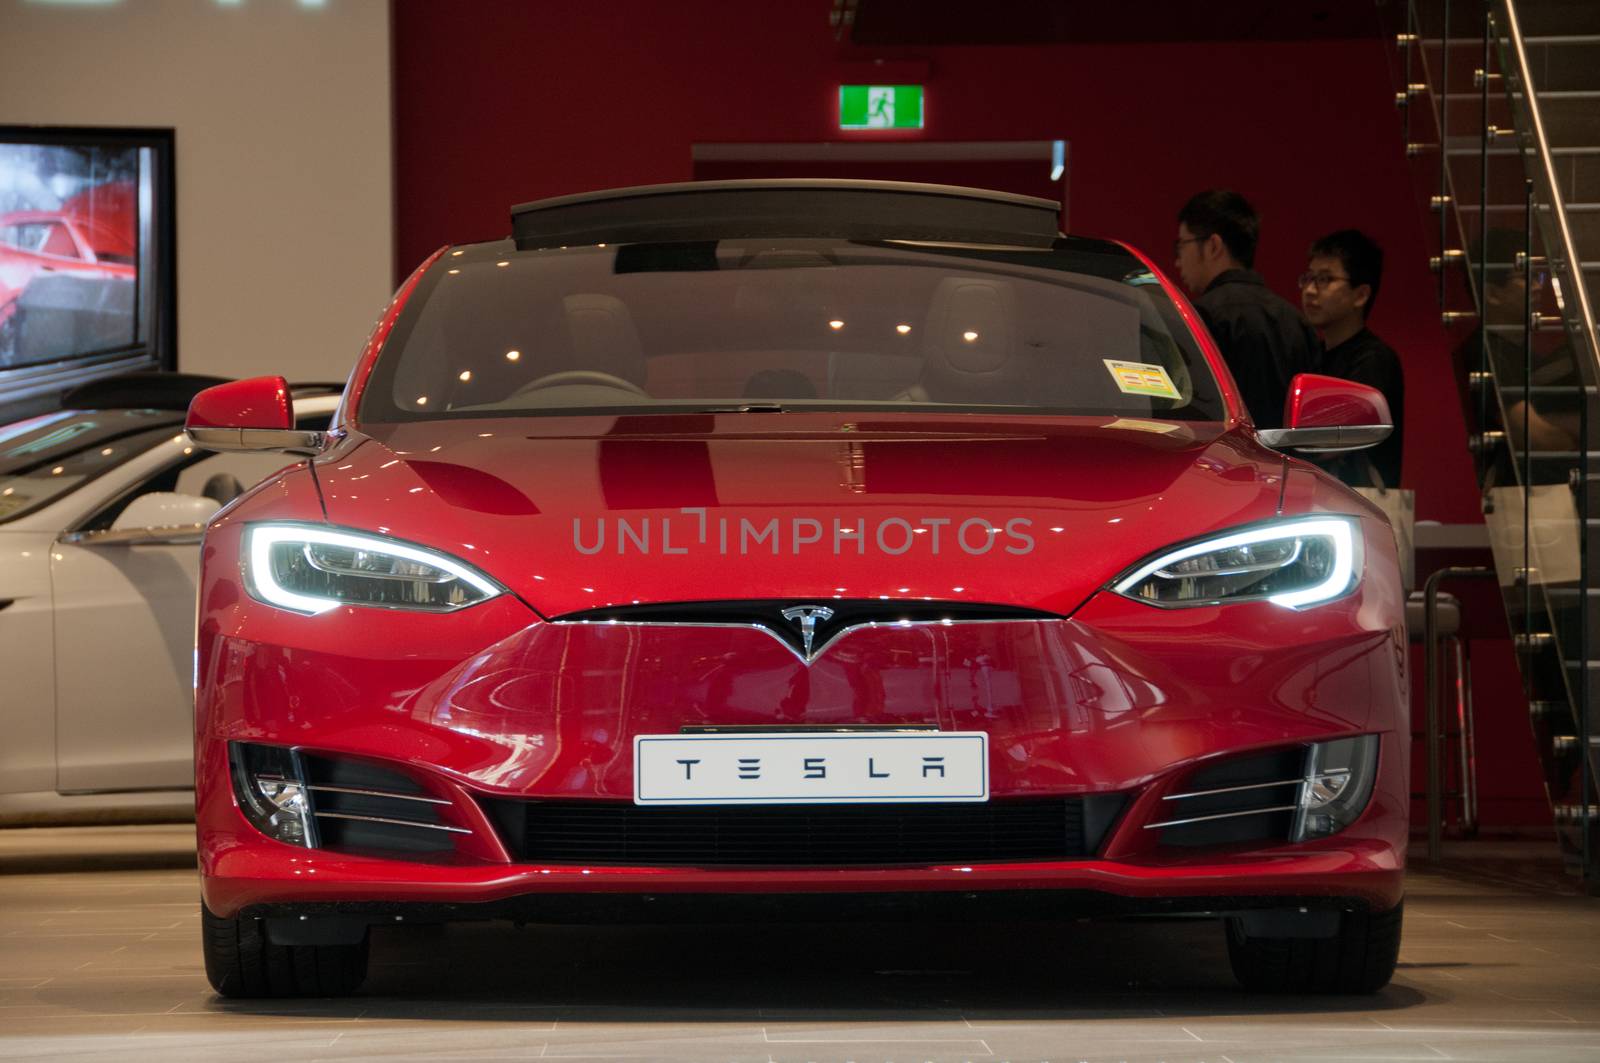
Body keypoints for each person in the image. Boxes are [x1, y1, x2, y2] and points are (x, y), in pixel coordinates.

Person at [1174, 190, 1319, 428]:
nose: (1178, 260)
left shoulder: (1200, 317)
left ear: (1213, 245)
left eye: (1181, 244)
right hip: (1284, 464)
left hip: (1225, 461)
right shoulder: (1297, 321)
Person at [1299, 229, 1404, 488]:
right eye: (1309, 278)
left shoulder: (1374, 359)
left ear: (1361, 295)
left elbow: (1333, 440)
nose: (1310, 290)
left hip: (1359, 504)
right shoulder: (1312, 354)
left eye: (1325, 279)